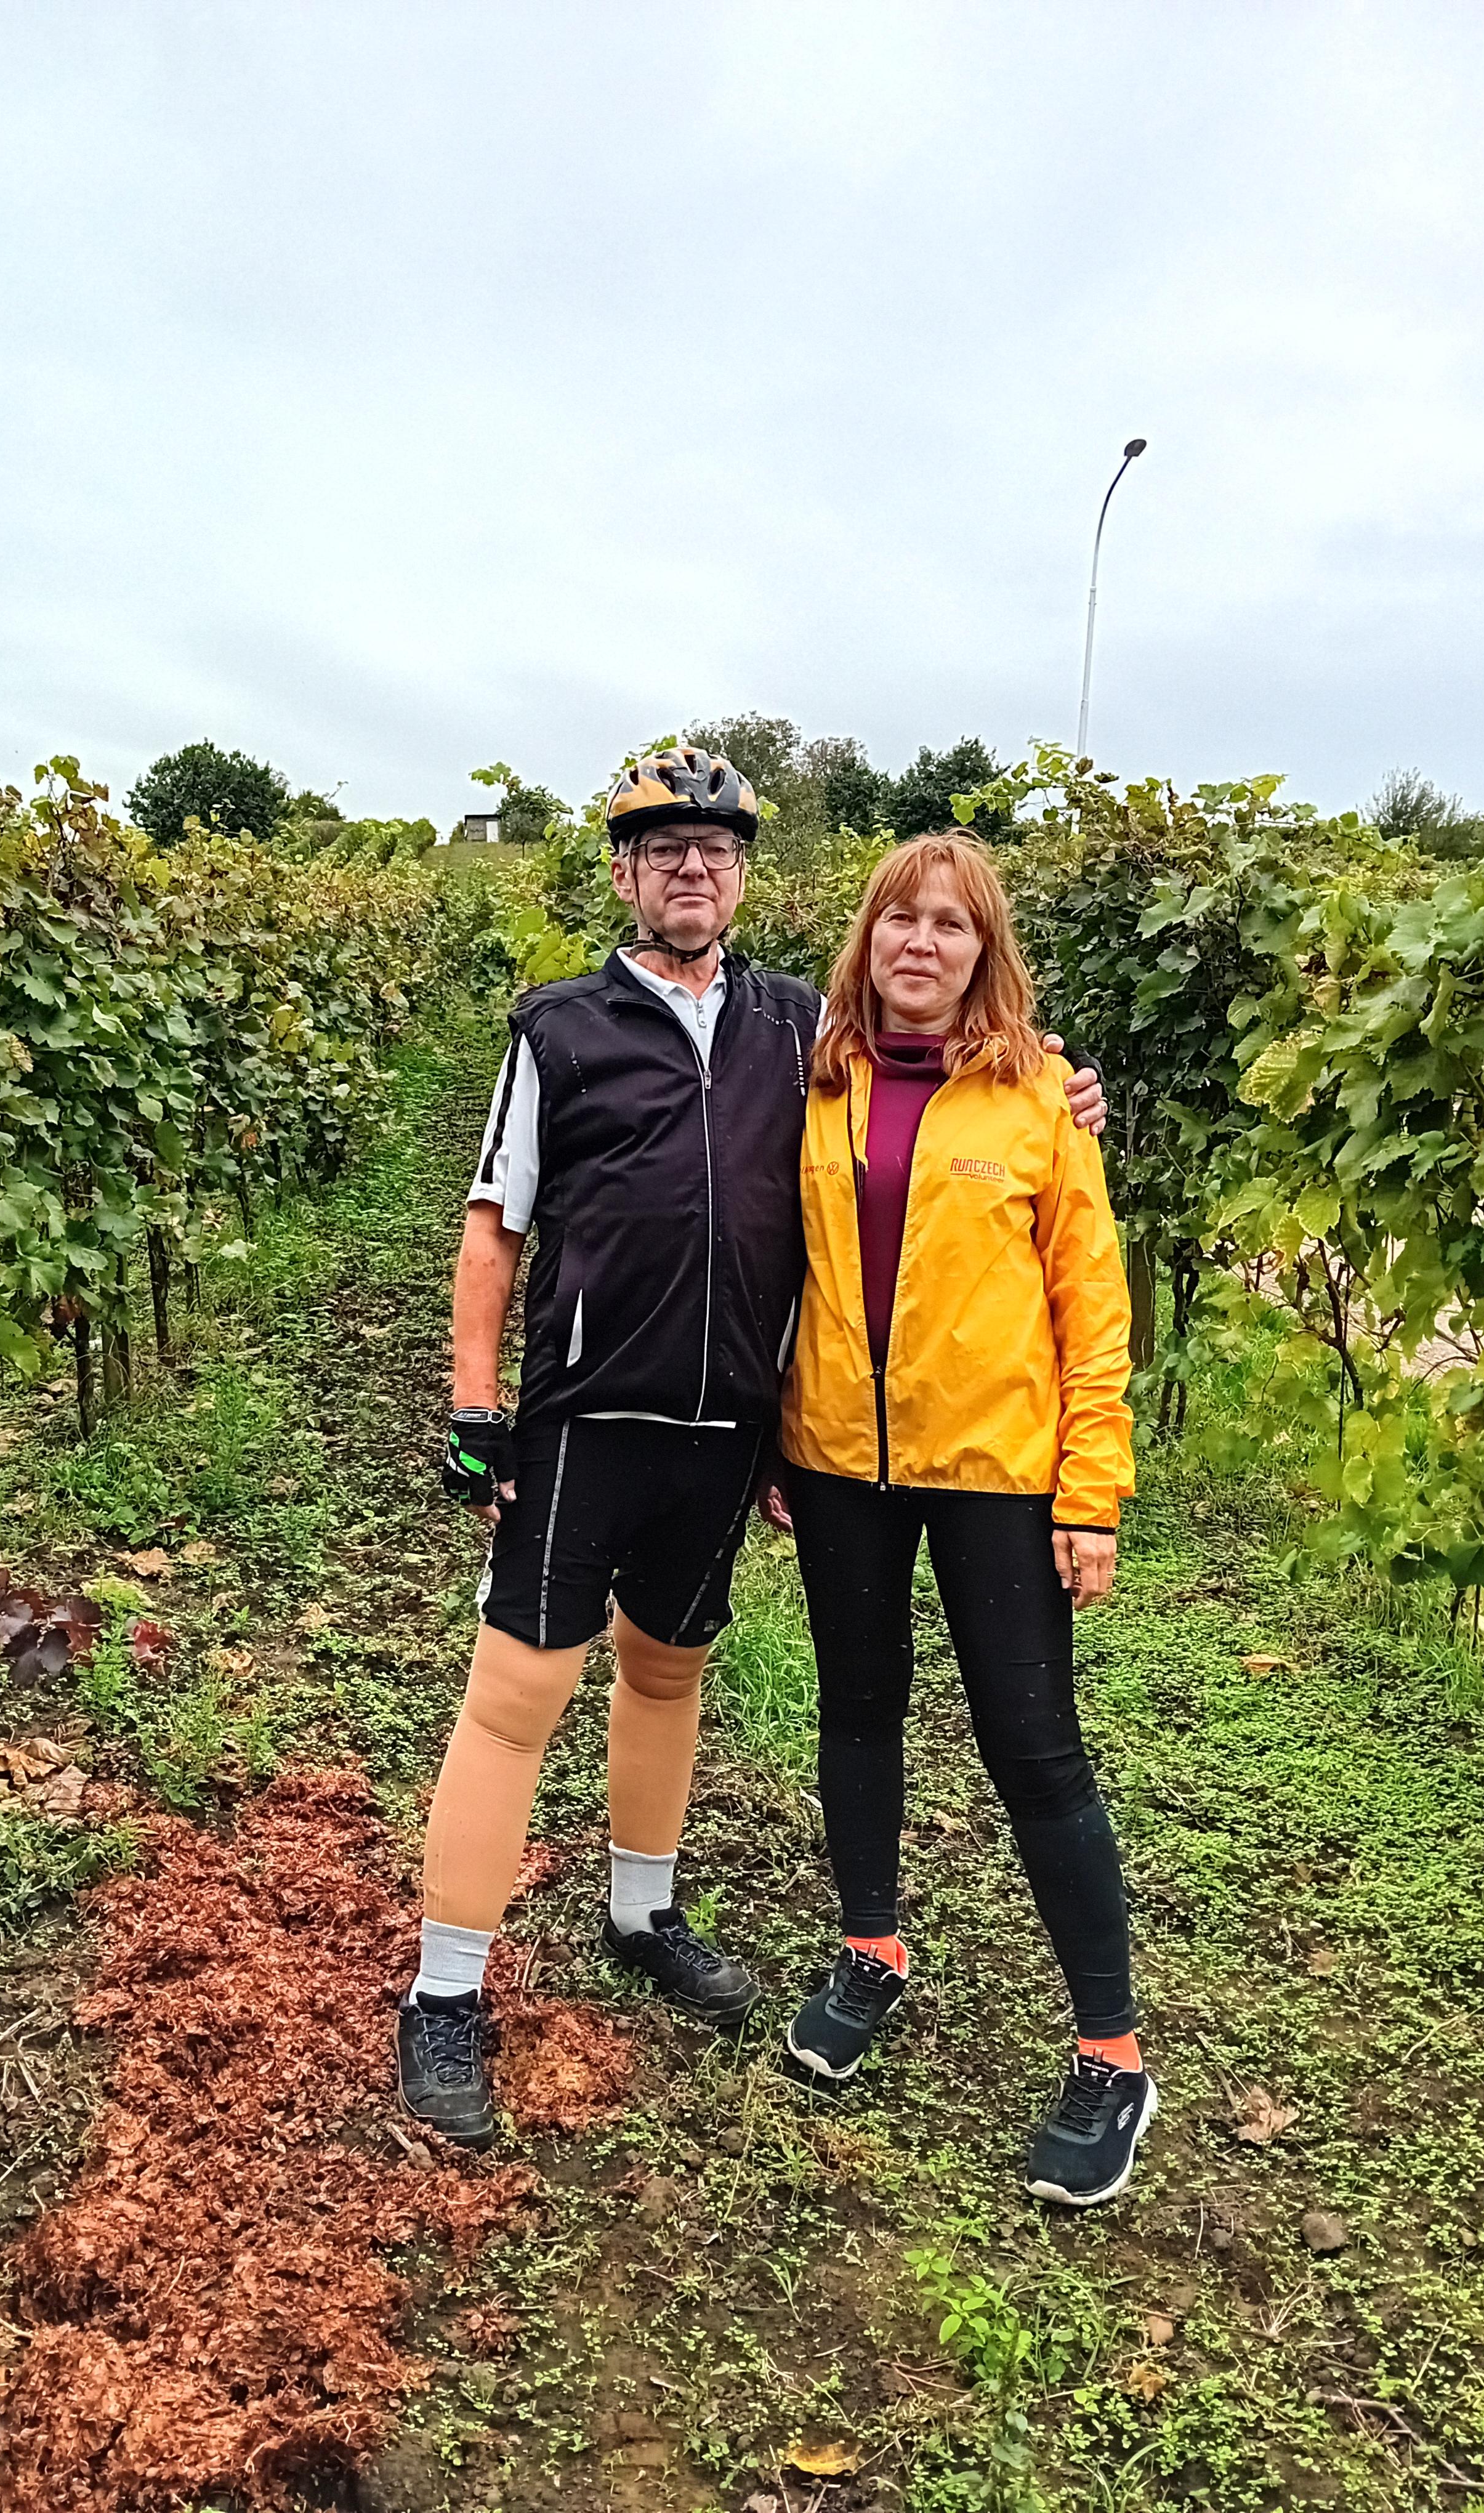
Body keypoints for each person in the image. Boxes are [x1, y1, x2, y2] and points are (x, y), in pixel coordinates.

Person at [399, 753, 1108, 2151]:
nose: (691, 869)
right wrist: (478, 1406)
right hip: (589, 1419)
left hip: (730, 1429)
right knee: (518, 1694)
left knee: (667, 1668)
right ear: (624, 873)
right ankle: (443, 1992)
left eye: (715, 849)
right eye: (664, 848)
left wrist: (1061, 1085)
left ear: (742, 877)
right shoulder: (558, 1029)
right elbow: (495, 1222)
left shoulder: (801, 1029)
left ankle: (642, 1911)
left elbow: (946, 1059)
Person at [773, 828, 1150, 2208]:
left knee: (1033, 1746)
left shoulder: (1041, 1096)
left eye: (950, 924)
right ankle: (871, 1948)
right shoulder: (815, 1078)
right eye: (899, 919)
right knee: (858, 1709)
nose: (920, 943)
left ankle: (1111, 2053)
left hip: (999, 1470)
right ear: (866, 939)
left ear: (985, 952)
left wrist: (1091, 1491)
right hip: (838, 1461)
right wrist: (778, 1434)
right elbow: (781, 1265)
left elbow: (1092, 1309)